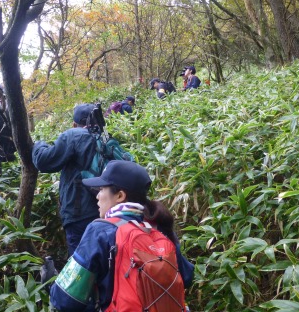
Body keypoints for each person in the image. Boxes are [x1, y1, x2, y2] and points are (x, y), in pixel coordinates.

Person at [49, 160, 194, 311]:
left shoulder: (99, 231)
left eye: (101, 189)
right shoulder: (157, 230)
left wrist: (51, 285)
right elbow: (187, 277)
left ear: (119, 196)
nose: (97, 196)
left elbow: (66, 300)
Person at [32, 103, 100, 256]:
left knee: (79, 268)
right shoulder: (104, 136)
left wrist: (39, 145)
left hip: (79, 213)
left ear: (74, 124)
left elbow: (44, 161)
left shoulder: (73, 135)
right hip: (105, 210)